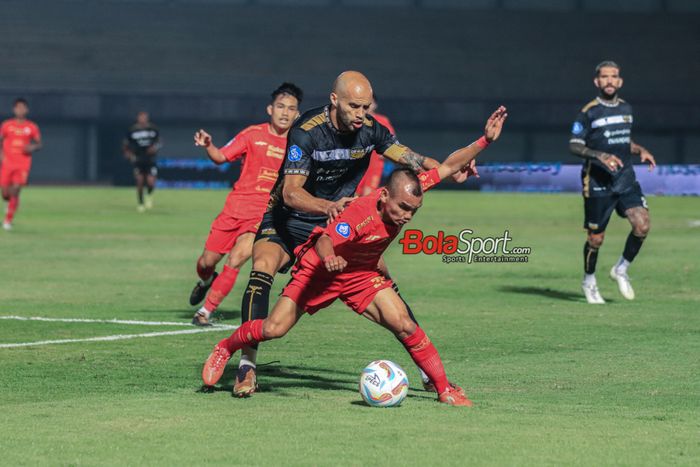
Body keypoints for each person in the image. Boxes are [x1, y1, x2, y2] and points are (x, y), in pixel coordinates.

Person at [201, 106, 508, 407]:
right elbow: (323, 239)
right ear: (386, 196)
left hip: (360, 274)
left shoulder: (408, 192)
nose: (406, 216)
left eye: (413, 211)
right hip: (320, 271)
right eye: (402, 208)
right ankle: (227, 346)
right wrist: (331, 257)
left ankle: (443, 389)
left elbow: (448, 166)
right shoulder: (358, 213)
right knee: (273, 329)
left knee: (405, 324)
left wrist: (484, 141)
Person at [189, 83, 303, 325]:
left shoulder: (299, 145)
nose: (285, 112)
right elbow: (221, 157)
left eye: (291, 108)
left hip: (264, 214)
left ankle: (205, 312)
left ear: (297, 114)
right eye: (281, 106)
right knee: (205, 262)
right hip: (235, 209)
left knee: (238, 257)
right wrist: (209, 145)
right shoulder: (253, 134)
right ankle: (206, 280)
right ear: (269, 109)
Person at [569, 61, 656, 304]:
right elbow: (574, 144)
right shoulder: (588, 112)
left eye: (613, 76)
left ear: (620, 81)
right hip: (597, 181)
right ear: (597, 82)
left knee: (642, 225)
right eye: (604, 77)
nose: (609, 80)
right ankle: (589, 280)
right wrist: (600, 156)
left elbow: (622, 140)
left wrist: (640, 150)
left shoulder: (626, 108)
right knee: (596, 239)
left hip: (624, 178)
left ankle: (621, 269)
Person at [0, 98, 42, 230]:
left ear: (27, 110)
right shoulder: (7, 125)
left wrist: (32, 147)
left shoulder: (31, 127)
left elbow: (39, 143)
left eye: (23, 107)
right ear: (14, 109)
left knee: (16, 189)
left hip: (23, 164)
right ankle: (10, 204)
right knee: (6, 194)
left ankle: (8, 220)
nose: (20, 110)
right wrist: (2, 157)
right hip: (7, 163)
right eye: (18, 107)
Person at [355, 95, 395, 196]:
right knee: (354, 193)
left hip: (375, 163)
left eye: (370, 103)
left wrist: (386, 152)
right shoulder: (356, 120)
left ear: (375, 105)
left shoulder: (382, 120)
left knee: (367, 193)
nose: (368, 106)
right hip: (357, 161)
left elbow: (391, 139)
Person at [123, 111, 161, 212]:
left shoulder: (153, 129)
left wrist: (155, 148)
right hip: (138, 159)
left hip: (150, 159)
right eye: (141, 117)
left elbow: (159, 142)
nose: (143, 119)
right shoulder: (133, 130)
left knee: (151, 182)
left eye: (145, 117)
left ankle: (149, 195)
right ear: (138, 118)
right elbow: (126, 144)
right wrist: (128, 154)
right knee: (139, 181)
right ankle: (140, 203)